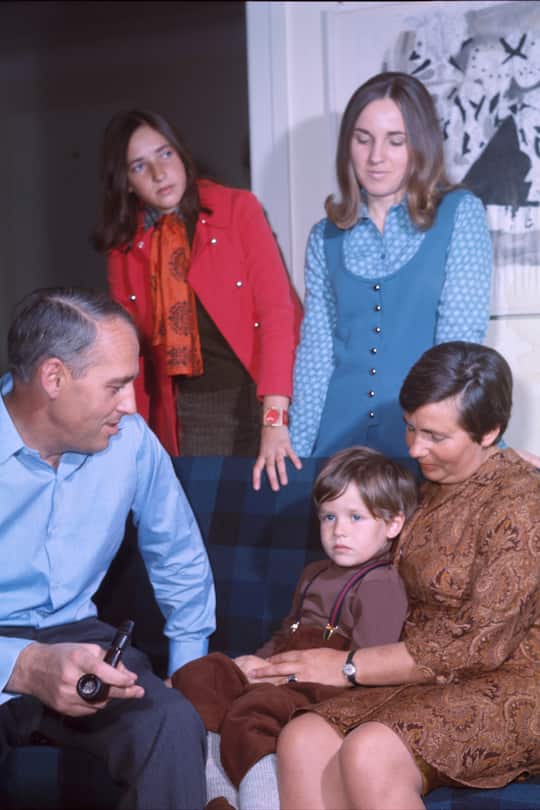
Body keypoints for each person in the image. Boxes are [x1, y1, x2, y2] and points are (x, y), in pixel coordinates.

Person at [250, 341, 540, 810]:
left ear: (489, 432)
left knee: (371, 752)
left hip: (514, 682)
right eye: (410, 427)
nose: (413, 447)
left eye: (435, 436)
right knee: (303, 737)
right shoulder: (426, 492)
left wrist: (348, 667)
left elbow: (478, 646)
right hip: (424, 678)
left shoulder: (523, 502)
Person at [0, 287, 216, 809]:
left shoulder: (132, 442)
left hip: (80, 634)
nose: (130, 405)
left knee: (171, 723)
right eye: (116, 387)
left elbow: (179, 556)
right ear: (54, 378)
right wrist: (24, 665)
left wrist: (187, 669)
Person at [255, 71, 493, 489]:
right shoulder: (325, 236)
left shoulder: (459, 214)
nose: (376, 156)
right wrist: (300, 452)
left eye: (395, 140)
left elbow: (459, 351)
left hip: (423, 444)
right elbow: (316, 354)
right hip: (339, 443)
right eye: (363, 139)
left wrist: (439, 442)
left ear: (420, 145)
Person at [173, 446, 417, 810]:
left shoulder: (380, 583)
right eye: (329, 518)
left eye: (355, 518)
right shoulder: (313, 573)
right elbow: (287, 632)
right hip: (286, 671)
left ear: (392, 524)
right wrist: (257, 662)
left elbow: (370, 664)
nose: (339, 531)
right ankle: (219, 793)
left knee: (255, 709)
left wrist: (279, 680)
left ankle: (260, 802)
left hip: (329, 688)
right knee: (200, 679)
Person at [93, 108, 303, 478]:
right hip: (194, 409)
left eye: (165, 154)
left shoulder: (237, 209)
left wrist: (274, 419)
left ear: (181, 153)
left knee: (283, 519)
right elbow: (128, 358)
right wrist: (130, 444)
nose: (159, 173)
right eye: (139, 166)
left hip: (270, 392)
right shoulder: (124, 249)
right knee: (210, 526)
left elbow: (277, 312)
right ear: (126, 182)